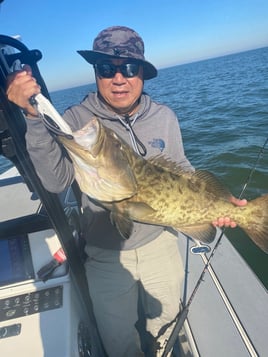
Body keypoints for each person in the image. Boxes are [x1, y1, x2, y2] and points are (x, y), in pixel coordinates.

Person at [7, 26, 246, 356]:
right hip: (105, 254)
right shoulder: (76, 118)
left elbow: (185, 172)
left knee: (165, 328)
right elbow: (57, 180)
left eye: (129, 68)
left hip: (161, 243)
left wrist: (222, 204)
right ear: (96, 72)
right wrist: (33, 117)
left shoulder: (164, 116)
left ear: (142, 74)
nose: (118, 78)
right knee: (119, 342)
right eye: (107, 68)